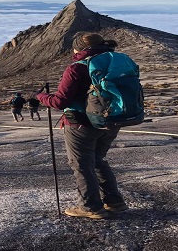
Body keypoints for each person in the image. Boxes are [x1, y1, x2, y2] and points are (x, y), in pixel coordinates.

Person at [35, 32, 128, 220]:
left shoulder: (76, 68)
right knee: (97, 160)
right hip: (111, 121)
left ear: (79, 49)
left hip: (80, 124)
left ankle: (91, 207)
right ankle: (114, 201)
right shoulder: (116, 62)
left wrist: (41, 97)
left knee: (82, 165)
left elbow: (60, 102)